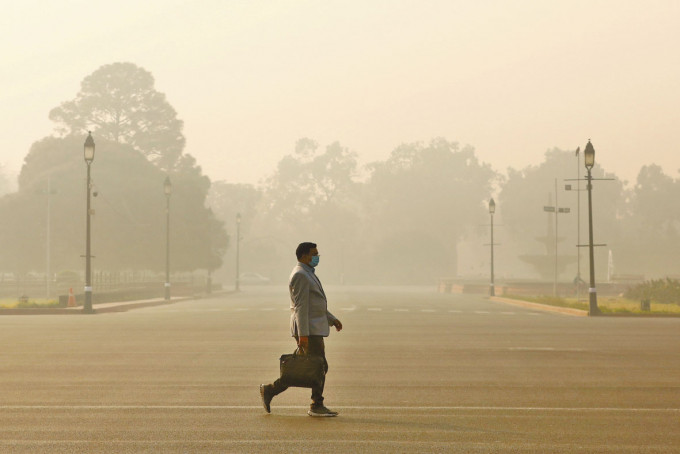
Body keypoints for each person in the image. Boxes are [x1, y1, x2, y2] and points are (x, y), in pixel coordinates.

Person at [260, 242, 343, 417]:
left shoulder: (307, 274)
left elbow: (314, 304)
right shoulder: (301, 275)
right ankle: (316, 404)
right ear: (304, 256)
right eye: (314, 254)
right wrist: (303, 335)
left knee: (311, 367)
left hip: (313, 328)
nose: (317, 257)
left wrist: (332, 319)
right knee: (317, 367)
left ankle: (271, 390)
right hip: (309, 330)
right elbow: (300, 308)